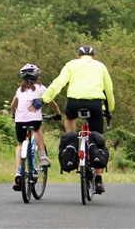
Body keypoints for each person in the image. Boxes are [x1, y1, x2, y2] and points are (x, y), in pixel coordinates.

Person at [29, 45, 115, 194]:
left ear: (78, 56)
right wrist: (109, 110)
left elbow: (58, 84)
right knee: (98, 139)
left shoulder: (71, 65)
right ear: (93, 57)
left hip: (74, 103)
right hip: (95, 104)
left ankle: (73, 142)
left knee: (69, 118)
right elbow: (109, 90)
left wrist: (43, 99)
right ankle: (99, 179)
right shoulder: (100, 66)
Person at [10, 64, 61, 191]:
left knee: (20, 144)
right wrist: (58, 115)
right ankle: (43, 156)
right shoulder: (42, 88)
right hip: (35, 120)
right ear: (37, 75)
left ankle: (18, 172)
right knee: (37, 130)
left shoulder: (19, 90)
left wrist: (14, 115)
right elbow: (53, 104)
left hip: (20, 120)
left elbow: (12, 105)